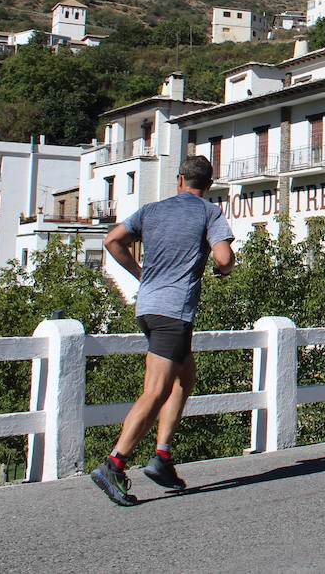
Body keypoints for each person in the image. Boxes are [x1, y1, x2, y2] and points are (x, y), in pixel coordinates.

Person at [91, 155, 235, 506]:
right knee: (156, 390)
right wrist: (222, 271)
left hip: (149, 307)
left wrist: (141, 274)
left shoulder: (151, 210)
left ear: (180, 179)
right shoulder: (209, 212)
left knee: (184, 379)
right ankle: (114, 463)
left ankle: (162, 456)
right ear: (210, 184)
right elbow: (226, 259)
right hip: (174, 312)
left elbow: (112, 241)